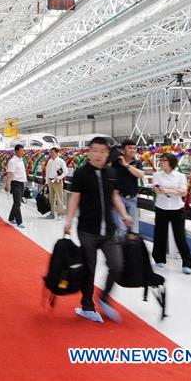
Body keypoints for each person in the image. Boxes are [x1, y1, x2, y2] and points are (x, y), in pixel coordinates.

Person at [64, 137, 133, 323]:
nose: (99, 154)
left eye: (103, 151)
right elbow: (74, 198)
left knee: (117, 265)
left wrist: (124, 215)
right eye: (95, 150)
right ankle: (87, 306)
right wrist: (69, 220)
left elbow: (115, 197)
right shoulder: (81, 174)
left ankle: (103, 298)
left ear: (106, 153)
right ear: (89, 152)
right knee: (89, 269)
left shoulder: (111, 173)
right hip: (87, 230)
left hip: (109, 230)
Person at [151, 152, 191, 274]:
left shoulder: (180, 176)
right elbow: (157, 190)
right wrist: (174, 191)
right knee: (159, 235)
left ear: (171, 162)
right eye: (161, 160)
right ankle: (159, 259)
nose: (161, 162)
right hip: (161, 208)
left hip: (177, 209)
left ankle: (187, 263)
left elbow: (184, 192)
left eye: (164, 160)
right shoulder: (157, 175)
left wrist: (167, 190)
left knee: (180, 236)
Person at [111, 139, 144, 237]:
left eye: (134, 148)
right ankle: (119, 251)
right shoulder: (115, 163)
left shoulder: (137, 163)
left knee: (131, 228)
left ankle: (129, 250)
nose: (132, 150)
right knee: (121, 228)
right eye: (129, 148)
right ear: (123, 150)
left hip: (132, 199)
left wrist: (126, 165)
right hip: (118, 199)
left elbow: (140, 174)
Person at [4, 144, 27, 228]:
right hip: (15, 183)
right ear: (16, 151)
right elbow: (10, 174)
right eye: (21, 150)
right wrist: (7, 184)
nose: (23, 152)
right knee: (17, 203)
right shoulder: (13, 161)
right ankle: (19, 222)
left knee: (17, 202)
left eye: (23, 150)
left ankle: (11, 218)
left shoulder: (21, 160)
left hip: (21, 183)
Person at [44, 147, 68, 220]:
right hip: (50, 182)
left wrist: (59, 178)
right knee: (51, 198)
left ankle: (60, 214)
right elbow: (47, 172)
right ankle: (52, 214)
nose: (51, 154)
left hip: (57, 182)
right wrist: (46, 182)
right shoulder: (50, 161)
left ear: (57, 153)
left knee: (59, 198)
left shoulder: (61, 161)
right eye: (50, 152)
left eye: (52, 152)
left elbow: (65, 172)